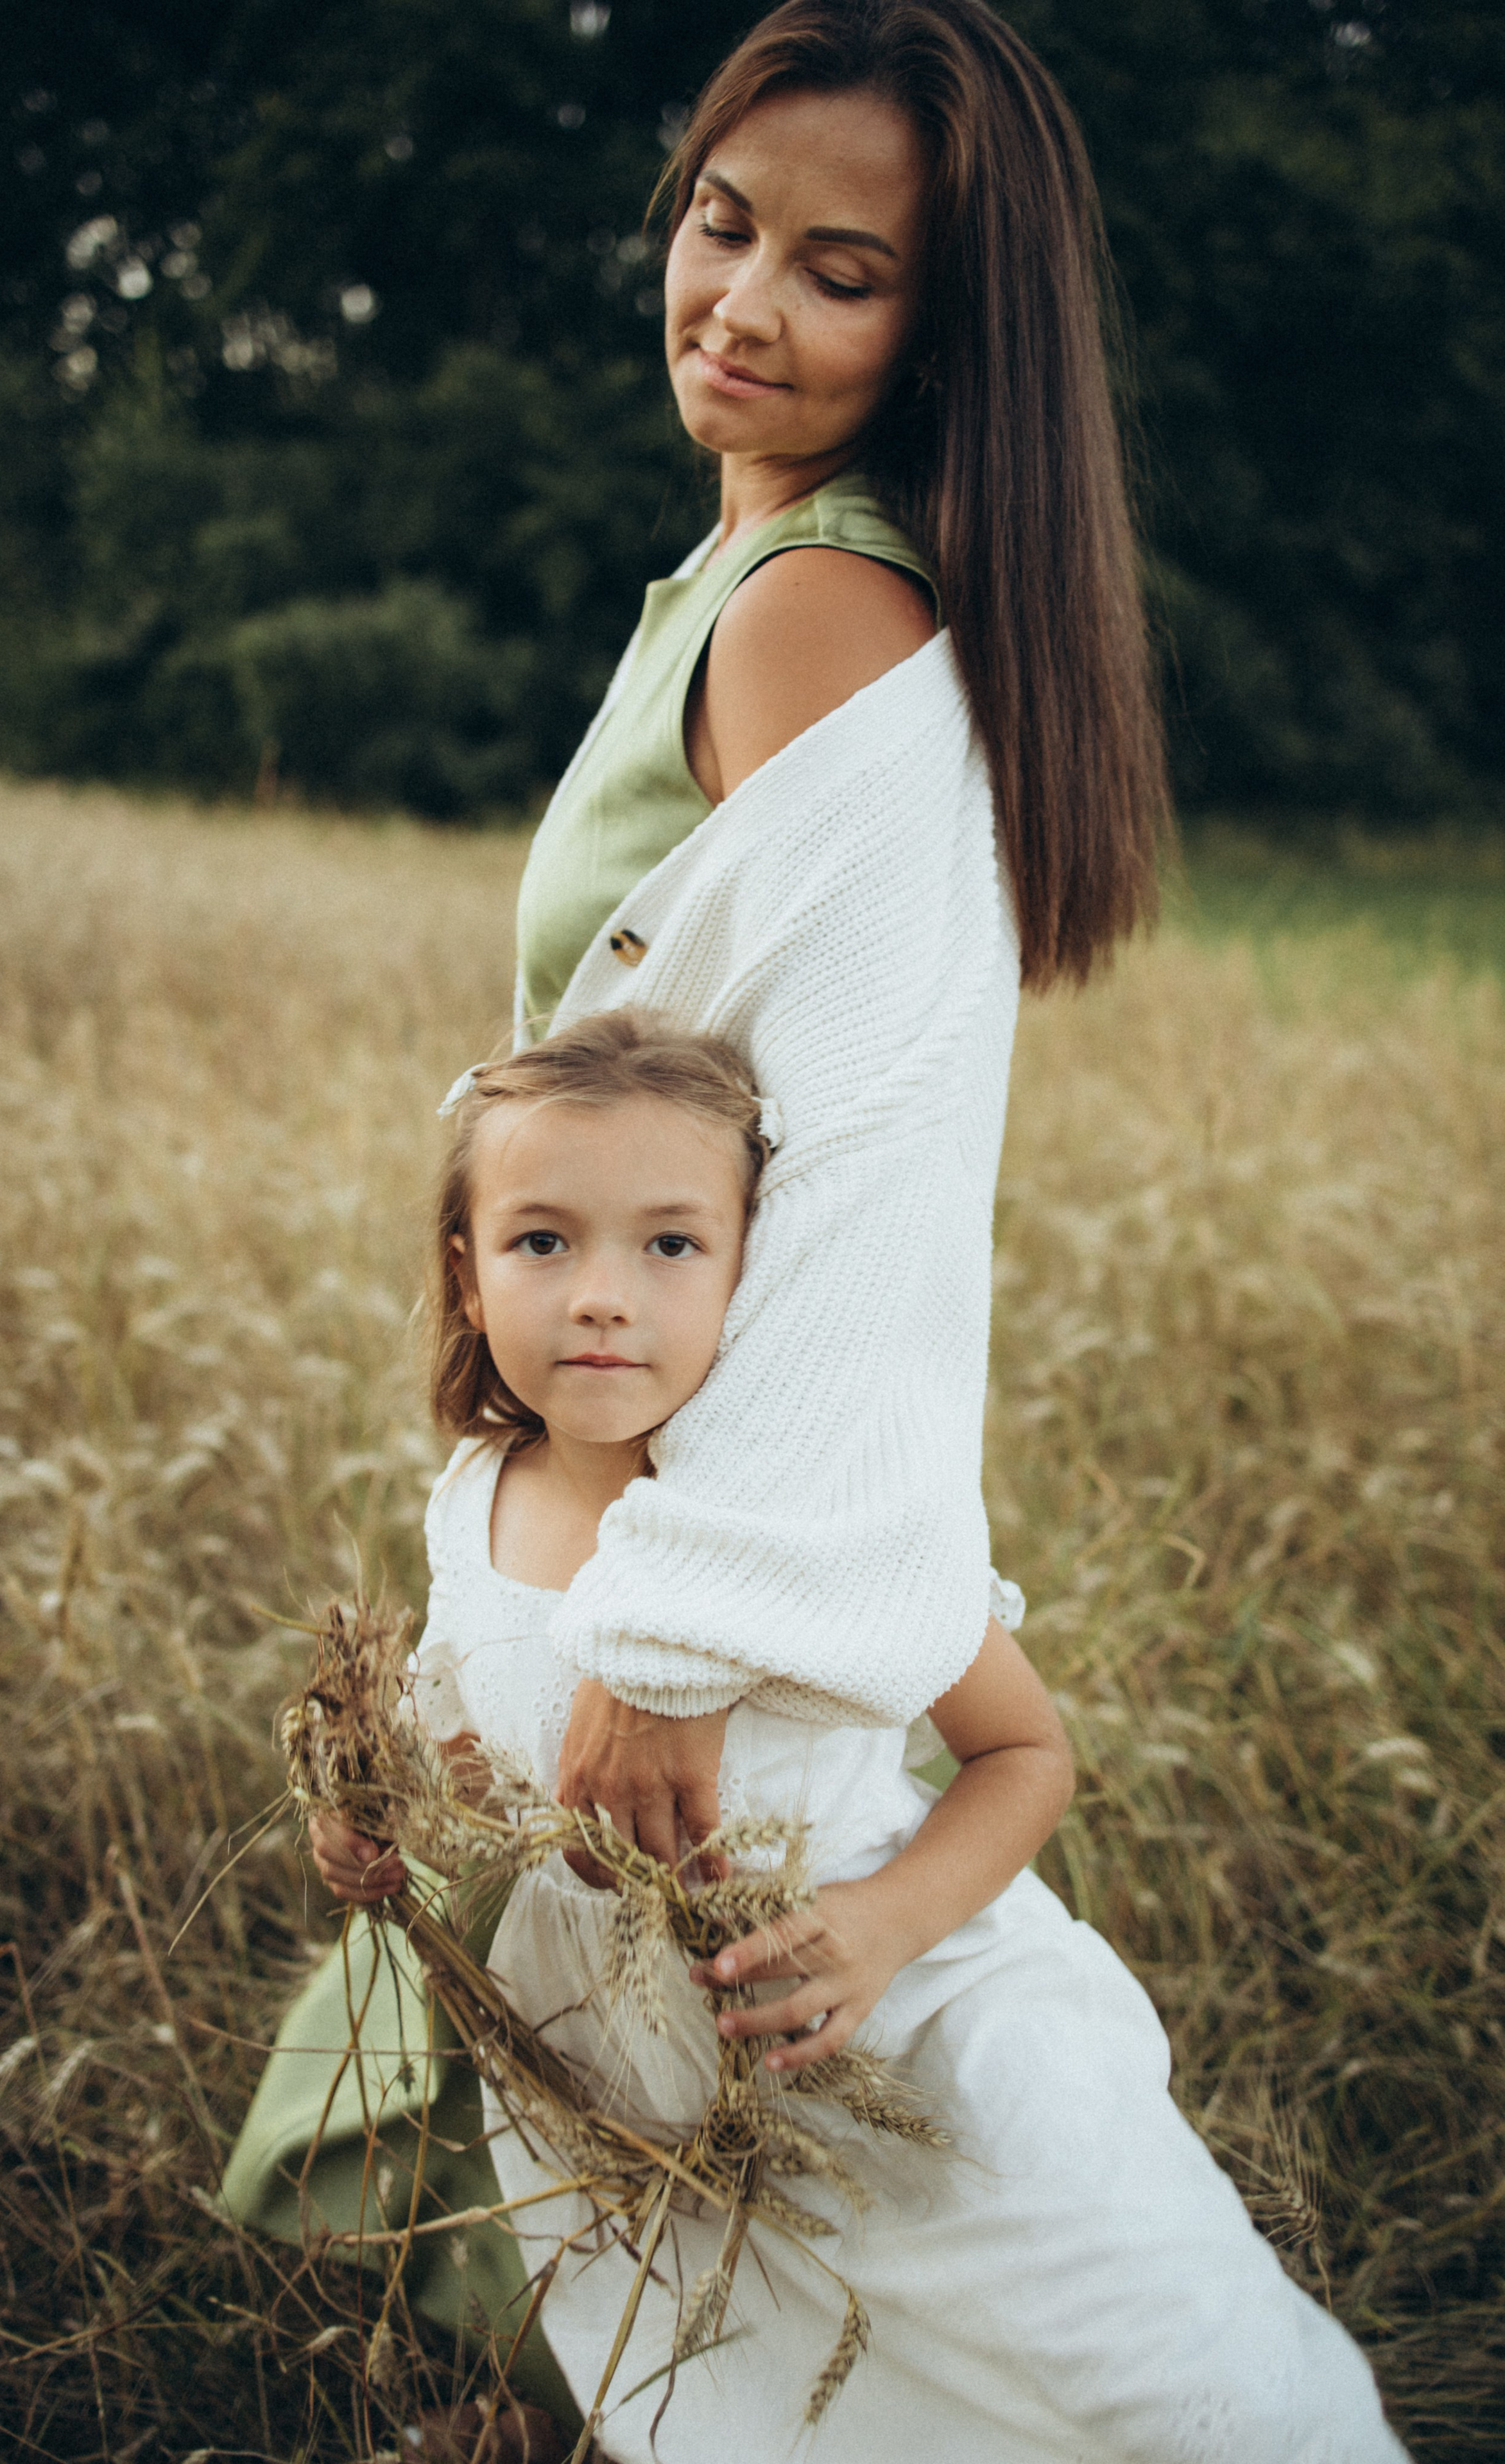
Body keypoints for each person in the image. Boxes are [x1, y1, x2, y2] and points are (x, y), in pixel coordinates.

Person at [223, 0, 1405, 2451]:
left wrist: (691, 1612)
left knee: (970, 2204)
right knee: (725, 2190)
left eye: (839, 271)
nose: (741, 299)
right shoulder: (733, 567)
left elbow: (867, 1155)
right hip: (607, 1453)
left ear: (943, 334)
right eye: (721, 221)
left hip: (699, 1536)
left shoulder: (817, 612)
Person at [308, 1008, 1404, 2462]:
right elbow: (477, 1743)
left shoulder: (814, 1525)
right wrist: (379, 1817)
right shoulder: (474, 1493)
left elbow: (1025, 1754)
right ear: (466, 1267)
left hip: (906, 2027)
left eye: (671, 1246)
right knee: (779, 2395)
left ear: (764, 1275)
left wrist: (885, 1924)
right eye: (541, 1243)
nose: (600, 1298)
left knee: (1147, 2362)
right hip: (642, 2089)